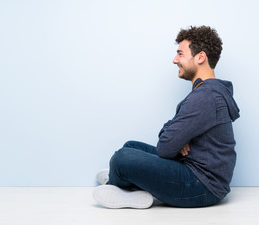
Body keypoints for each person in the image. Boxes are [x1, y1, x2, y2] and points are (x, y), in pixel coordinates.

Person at [93, 25, 240, 208]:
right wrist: (177, 141)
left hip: (202, 186)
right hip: (195, 169)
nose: (174, 60)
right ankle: (127, 186)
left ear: (200, 57)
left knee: (122, 159)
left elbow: (164, 148)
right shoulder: (208, 92)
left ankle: (117, 186)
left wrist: (174, 141)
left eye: (180, 54)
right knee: (131, 146)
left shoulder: (205, 96)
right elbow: (171, 132)